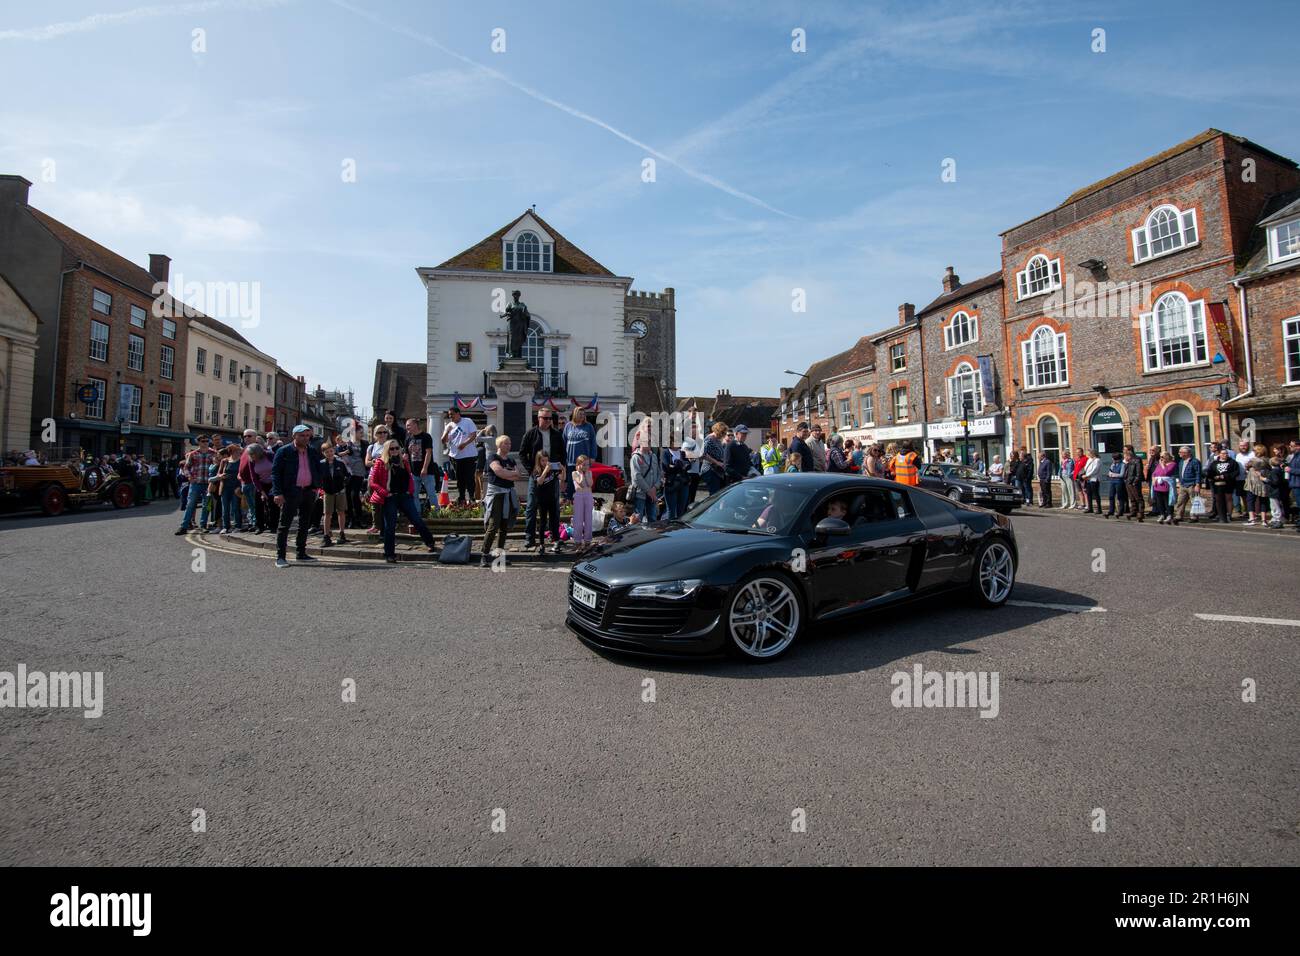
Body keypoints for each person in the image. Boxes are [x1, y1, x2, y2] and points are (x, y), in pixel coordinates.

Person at [369, 439, 436, 563]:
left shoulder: (404, 461)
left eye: (396, 448)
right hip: (390, 497)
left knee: (417, 520)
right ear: (387, 450)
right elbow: (373, 482)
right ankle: (389, 554)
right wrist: (385, 493)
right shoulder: (380, 462)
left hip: (404, 496)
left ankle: (430, 542)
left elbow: (410, 478)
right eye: (391, 448)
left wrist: (410, 491)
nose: (394, 451)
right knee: (390, 526)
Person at [270, 425, 323, 568]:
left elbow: (317, 469)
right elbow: (275, 473)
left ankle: (301, 553)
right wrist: (278, 493)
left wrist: (316, 487)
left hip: (308, 491)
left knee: (304, 524)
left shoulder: (312, 451)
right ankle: (280, 557)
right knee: (284, 525)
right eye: (302, 435)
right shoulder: (284, 451)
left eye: (307, 436)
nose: (306, 438)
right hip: (290, 492)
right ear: (294, 436)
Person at [520, 408, 566, 549]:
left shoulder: (557, 434)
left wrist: (560, 471)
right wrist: (532, 471)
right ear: (538, 418)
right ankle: (530, 538)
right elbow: (522, 454)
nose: (548, 421)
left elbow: (563, 454)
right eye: (545, 418)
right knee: (531, 507)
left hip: (552, 476)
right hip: (536, 476)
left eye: (550, 418)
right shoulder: (530, 434)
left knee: (554, 508)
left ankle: (555, 536)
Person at [480, 434, 524, 567]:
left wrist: (507, 474)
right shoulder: (493, 457)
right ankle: (484, 555)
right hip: (496, 495)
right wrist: (509, 474)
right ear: (499, 444)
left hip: (508, 494)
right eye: (506, 443)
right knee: (493, 525)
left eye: (509, 443)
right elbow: (498, 472)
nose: (509, 445)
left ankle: (499, 555)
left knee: (504, 527)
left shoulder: (511, 460)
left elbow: (518, 475)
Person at [175, 436, 217, 534]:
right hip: (196, 483)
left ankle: (203, 525)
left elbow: (217, 466)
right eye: (203, 441)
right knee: (190, 505)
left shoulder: (213, 453)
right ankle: (184, 526)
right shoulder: (193, 454)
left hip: (208, 483)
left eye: (207, 441)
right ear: (198, 442)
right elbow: (186, 468)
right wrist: (189, 477)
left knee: (206, 506)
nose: (206, 442)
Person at [531, 450, 564, 554]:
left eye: (546, 460)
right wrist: (545, 470)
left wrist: (563, 469)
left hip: (552, 499)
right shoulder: (536, 471)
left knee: (554, 521)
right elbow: (539, 481)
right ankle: (541, 544)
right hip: (542, 500)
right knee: (543, 522)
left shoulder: (553, 470)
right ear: (539, 461)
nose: (545, 462)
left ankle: (556, 542)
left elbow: (562, 478)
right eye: (543, 461)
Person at [561, 407, 597, 503]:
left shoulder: (588, 426)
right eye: (580, 414)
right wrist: (562, 458)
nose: (582, 416)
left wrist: (593, 457)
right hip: (570, 461)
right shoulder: (568, 426)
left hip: (584, 462)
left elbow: (593, 442)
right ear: (575, 414)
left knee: (583, 482)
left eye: (583, 414)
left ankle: (583, 501)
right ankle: (569, 503)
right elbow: (563, 443)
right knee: (570, 483)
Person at [443, 408, 478, 506]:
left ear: (458, 413)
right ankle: (461, 497)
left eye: (452, 414)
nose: (451, 417)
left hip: (469, 455)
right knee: (459, 478)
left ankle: (471, 497)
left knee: (469, 477)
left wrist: (464, 444)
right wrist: (446, 431)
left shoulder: (467, 421)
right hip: (455, 456)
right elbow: (443, 441)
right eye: (449, 415)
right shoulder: (449, 425)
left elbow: (473, 435)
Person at [319, 442, 351, 547]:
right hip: (328, 492)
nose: (329, 453)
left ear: (334, 451)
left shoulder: (340, 463)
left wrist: (344, 484)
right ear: (323, 453)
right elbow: (317, 478)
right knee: (327, 514)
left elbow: (348, 475)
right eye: (326, 452)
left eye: (331, 451)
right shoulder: (321, 464)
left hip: (340, 491)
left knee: (341, 512)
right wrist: (321, 488)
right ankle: (326, 536)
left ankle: (342, 534)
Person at [405, 418, 440, 511]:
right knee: (414, 494)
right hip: (414, 472)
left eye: (408, 425)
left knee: (431, 493)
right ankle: (418, 515)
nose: (406, 427)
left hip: (427, 472)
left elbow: (429, 453)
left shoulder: (426, 436)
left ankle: (436, 514)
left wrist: (424, 468)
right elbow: (406, 455)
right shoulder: (408, 438)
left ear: (415, 425)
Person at [630, 440, 663, 522]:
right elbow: (636, 477)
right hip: (640, 494)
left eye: (650, 441)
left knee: (653, 519)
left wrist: (655, 487)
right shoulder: (636, 457)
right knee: (638, 520)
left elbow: (659, 474)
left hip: (653, 494)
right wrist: (649, 491)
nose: (649, 444)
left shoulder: (654, 456)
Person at [1204, 447, 1239, 523]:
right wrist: (1213, 477)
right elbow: (1210, 472)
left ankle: (1229, 514)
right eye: (1223, 453)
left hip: (1229, 483)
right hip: (1217, 484)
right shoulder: (1214, 463)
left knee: (1228, 498)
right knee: (1218, 500)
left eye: (1226, 453)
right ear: (1219, 454)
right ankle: (1220, 514)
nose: (1225, 455)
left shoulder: (1232, 462)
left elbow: (1236, 472)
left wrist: (1225, 476)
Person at [1171, 445, 1202, 525]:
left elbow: (1198, 473)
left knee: (1194, 501)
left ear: (1187, 453)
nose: (1179, 454)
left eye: (1181, 452)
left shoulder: (1195, 461)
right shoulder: (1181, 461)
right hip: (1183, 484)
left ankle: (1194, 517)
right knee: (1180, 501)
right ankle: (1179, 516)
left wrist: (1198, 484)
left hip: (1192, 484)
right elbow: (1180, 472)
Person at [571, 454, 595, 552]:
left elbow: (590, 484)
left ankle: (588, 541)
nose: (586, 467)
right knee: (578, 520)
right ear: (578, 464)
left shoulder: (589, 473)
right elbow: (579, 483)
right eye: (584, 464)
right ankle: (577, 541)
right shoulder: (574, 473)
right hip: (579, 497)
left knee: (588, 519)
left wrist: (586, 473)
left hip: (588, 495)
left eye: (588, 464)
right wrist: (581, 473)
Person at [661, 440, 690, 519]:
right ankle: (670, 529)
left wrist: (676, 465)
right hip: (671, 484)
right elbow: (666, 467)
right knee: (671, 510)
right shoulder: (665, 452)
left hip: (683, 483)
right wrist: (679, 465)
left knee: (682, 509)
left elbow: (688, 465)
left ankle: (679, 529)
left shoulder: (682, 453)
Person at [218, 444, 242, 535]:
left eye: (238, 451)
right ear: (231, 452)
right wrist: (221, 476)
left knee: (236, 507)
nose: (238, 452)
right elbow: (219, 474)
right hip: (225, 487)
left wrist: (240, 487)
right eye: (235, 451)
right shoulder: (224, 461)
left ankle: (237, 526)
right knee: (225, 508)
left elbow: (243, 474)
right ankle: (225, 527)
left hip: (236, 487)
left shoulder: (241, 461)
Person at [699, 422, 729, 493]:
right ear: (718, 431)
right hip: (710, 470)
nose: (724, 435)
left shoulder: (717, 440)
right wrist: (717, 462)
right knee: (714, 494)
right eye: (723, 433)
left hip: (718, 471)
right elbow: (702, 454)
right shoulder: (708, 439)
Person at [1151, 452, 1176, 523]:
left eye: (1163, 457)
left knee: (1167, 501)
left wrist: (1162, 464)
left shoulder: (1172, 464)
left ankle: (1169, 514)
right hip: (1157, 485)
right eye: (1160, 457)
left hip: (1166, 485)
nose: (1161, 458)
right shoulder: (1159, 465)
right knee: (1159, 501)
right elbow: (1154, 473)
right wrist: (1153, 479)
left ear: (1167, 457)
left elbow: (1166, 472)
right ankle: (1162, 514)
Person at [1121, 447, 1144, 522]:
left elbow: (1139, 472)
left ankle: (1140, 512)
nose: (1124, 457)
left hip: (1134, 482)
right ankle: (1133, 511)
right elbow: (1126, 472)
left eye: (1125, 455)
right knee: (1132, 498)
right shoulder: (1128, 462)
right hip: (1128, 481)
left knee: (1138, 498)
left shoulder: (1136, 460)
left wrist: (1135, 481)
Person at [1232, 440, 1255, 516]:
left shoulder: (1252, 454)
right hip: (1240, 478)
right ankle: (1247, 510)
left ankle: (1254, 511)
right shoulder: (1238, 455)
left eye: (1244, 445)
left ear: (1248, 446)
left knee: (1251, 496)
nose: (1243, 447)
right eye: (1241, 446)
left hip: (1251, 479)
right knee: (1243, 496)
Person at [1104, 453, 1126, 518]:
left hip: (1119, 482)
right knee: (1111, 496)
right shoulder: (1113, 464)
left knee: (1120, 497)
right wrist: (1111, 474)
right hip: (1112, 482)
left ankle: (1120, 511)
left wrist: (1113, 475)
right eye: (1114, 459)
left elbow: (1122, 474)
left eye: (1115, 459)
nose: (1114, 460)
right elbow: (1109, 472)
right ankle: (1111, 510)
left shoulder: (1122, 465)